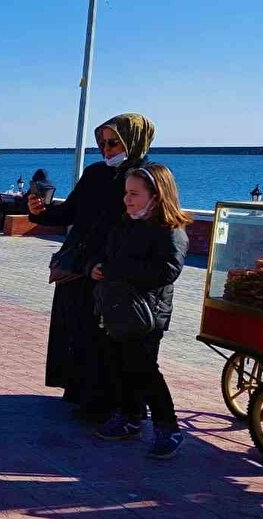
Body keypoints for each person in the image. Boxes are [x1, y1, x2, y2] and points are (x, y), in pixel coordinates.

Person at [28, 112, 156, 419]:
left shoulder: (147, 177)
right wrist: (40, 212)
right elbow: (69, 213)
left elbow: (151, 227)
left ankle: (108, 405)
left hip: (114, 271)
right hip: (79, 267)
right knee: (76, 331)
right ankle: (79, 392)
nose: (107, 149)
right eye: (103, 143)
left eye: (114, 143)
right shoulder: (96, 173)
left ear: (134, 141)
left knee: (106, 339)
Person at [88, 163, 190, 459]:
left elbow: (166, 271)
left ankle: (167, 426)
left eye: (134, 194)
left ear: (156, 196)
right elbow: (106, 256)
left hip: (147, 314)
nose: (127, 199)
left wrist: (114, 270)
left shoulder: (170, 230)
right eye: (126, 193)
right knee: (120, 365)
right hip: (117, 308)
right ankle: (129, 416)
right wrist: (93, 267)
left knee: (145, 370)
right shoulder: (125, 223)